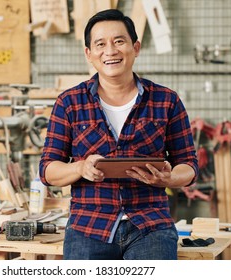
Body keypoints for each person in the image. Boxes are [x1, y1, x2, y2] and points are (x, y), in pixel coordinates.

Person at [38, 9, 198, 260]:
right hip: (88, 226)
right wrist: (80, 168)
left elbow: (189, 166)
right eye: (100, 44)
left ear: (136, 47)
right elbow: (47, 170)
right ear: (88, 54)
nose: (110, 51)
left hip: (150, 225)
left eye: (119, 41)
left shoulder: (166, 100)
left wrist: (167, 179)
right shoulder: (69, 102)